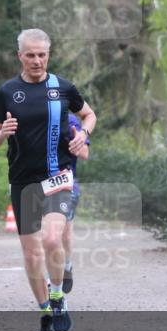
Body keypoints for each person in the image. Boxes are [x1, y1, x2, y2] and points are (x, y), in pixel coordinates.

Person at [0, 29, 97, 331]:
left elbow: (88, 115)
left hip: (57, 176)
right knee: (32, 255)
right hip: (22, 181)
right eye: (30, 55)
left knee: (51, 238)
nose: (36, 60)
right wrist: (2, 133)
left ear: (49, 55)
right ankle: (45, 312)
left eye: (42, 54)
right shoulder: (7, 92)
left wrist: (83, 135)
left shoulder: (62, 88)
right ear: (19, 55)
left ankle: (58, 295)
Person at [62, 112, 89, 294]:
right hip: (37, 184)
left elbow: (85, 154)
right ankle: (52, 282)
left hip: (66, 185)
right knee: (46, 235)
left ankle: (67, 265)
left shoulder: (71, 121)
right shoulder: (35, 116)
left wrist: (75, 145)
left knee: (64, 235)